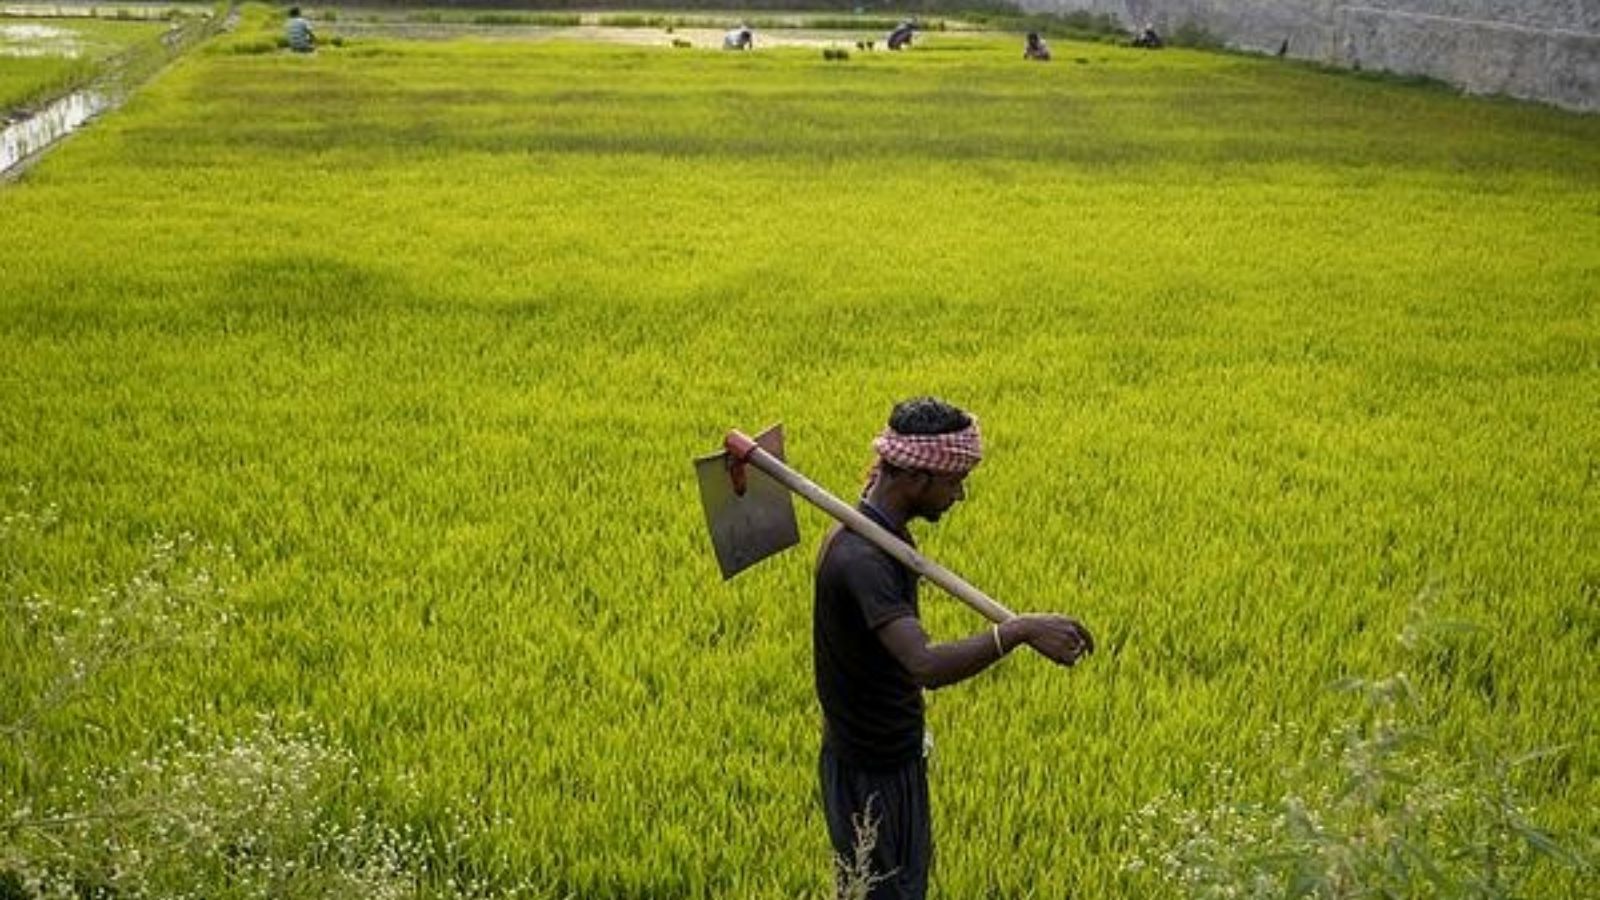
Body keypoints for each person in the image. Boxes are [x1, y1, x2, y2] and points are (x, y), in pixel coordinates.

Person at [813, 397, 1095, 899]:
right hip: (869, 773)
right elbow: (925, 664)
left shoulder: (884, 538)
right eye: (954, 481)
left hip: (889, 754)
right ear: (917, 477)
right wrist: (1019, 630)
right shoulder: (862, 559)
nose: (960, 495)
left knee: (901, 888)